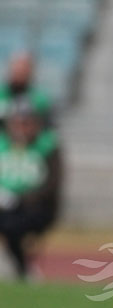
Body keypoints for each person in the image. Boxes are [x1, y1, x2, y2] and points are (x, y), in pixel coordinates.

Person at [0, 97, 62, 279]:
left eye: (26, 122)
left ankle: (22, 268)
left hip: (34, 208)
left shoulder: (46, 147)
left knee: (13, 226)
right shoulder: (4, 146)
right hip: (5, 208)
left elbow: (53, 184)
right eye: (17, 122)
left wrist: (20, 199)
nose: (21, 128)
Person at [0, 51, 53, 129]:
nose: (19, 72)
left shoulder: (39, 99)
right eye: (16, 68)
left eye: (23, 69)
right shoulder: (2, 95)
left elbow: (48, 128)